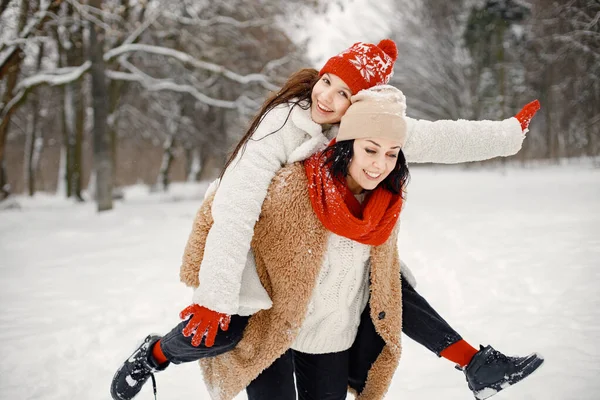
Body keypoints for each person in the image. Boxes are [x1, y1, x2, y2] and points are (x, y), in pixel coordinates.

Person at [110, 40, 543, 400]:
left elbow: (437, 137)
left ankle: (474, 364)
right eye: (327, 81)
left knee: (388, 286)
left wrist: (507, 135)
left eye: (343, 95)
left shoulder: (361, 130)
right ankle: (156, 354)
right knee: (220, 330)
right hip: (248, 237)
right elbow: (236, 208)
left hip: (313, 261)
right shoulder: (281, 123)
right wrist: (216, 294)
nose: (326, 97)